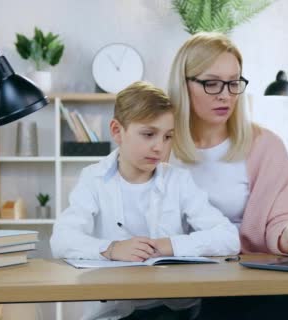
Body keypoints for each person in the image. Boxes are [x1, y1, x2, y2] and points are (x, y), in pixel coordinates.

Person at [167, 32, 288, 320]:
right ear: (184, 83)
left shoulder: (265, 145)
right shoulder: (159, 146)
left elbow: (278, 221)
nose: (225, 94)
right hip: (179, 283)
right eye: (211, 83)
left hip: (248, 281)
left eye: (233, 83)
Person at [50, 81, 240, 320]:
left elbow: (228, 238)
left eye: (168, 136)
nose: (159, 147)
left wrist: (167, 245)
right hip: (116, 311)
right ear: (117, 131)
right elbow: (61, 240)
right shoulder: (93, 179)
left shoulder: (178, 181)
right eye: (148, 134)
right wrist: (111, 249)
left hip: (177, 309)